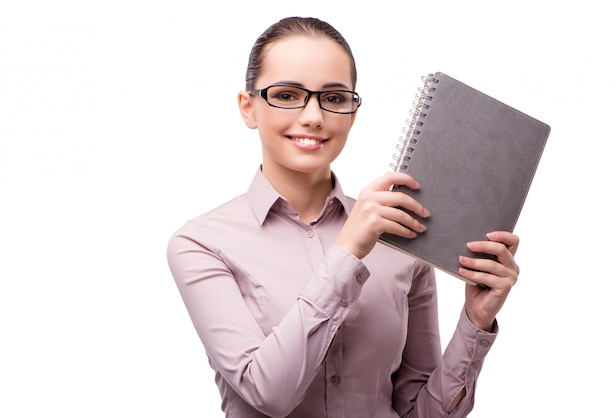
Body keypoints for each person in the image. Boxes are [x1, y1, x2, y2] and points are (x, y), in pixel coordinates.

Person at [167, 16, 519, 418]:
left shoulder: (400, 238)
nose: (314, 116)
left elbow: (419, 412)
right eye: (286, 94)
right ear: (249, 108)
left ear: (351, 114)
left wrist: (475, 321)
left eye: (333, 98)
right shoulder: (201, 243)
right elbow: (267, 393)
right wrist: (348, 250)